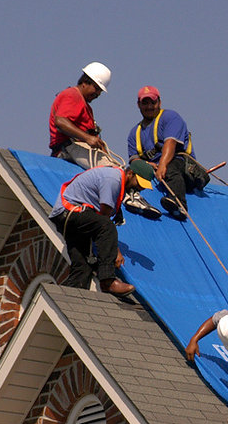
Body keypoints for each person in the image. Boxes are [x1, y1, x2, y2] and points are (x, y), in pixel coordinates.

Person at [48, 161, 155, 296]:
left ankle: (70, 297)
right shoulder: (113, 179)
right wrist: (115, 251)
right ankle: (108, 281)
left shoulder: (118, 182)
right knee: (106, 225)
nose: (140, 188)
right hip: (70, 211)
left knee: (83, 266)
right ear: (130, 173)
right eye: (139, 183)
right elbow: (104, 217)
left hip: (71, 217)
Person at [127, 85, 209, 218]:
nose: (149, 106)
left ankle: (179, 204)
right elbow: (134, 160)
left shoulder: (170, 117)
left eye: (152, 102)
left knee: (171, 167)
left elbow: (170, 143)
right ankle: (134, 201)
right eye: (145, 103)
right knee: (128, 173)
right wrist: (146, 165)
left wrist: (162, 165)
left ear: (159, 102)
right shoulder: (134, 133)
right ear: (138, 105)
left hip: (182, 165)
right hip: (154, 170)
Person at [49, 62, 115, 168]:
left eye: (100, 91)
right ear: (85, 82)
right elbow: (60, 121)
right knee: (111, 171)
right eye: (96, 88)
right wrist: (87, 138)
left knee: (116, 169)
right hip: (68, 149)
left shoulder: (86, 107)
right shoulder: (72, 95)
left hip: (77, 149)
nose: (98, 94)